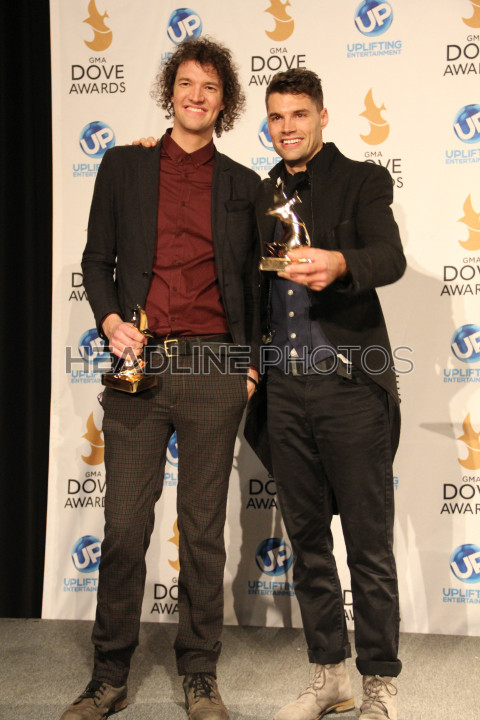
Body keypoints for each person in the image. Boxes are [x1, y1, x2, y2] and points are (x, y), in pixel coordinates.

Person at [60, 38, 261, 720]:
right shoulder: (124, 165)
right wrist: (110, 319)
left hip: (215, 367)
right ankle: (109, 674)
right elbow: (96, 260)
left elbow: (255, 286)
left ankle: (199, 673)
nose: (196, 95)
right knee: (123, 527)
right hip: (138, 368)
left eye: (210, 86)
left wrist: (250, 365)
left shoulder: (245, 185)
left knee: (201, 532)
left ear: (224, 102)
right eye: (186, 83)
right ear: (169, 91)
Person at [244, 68, 406, 720]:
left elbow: (389, 257)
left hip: (349, 385)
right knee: (308, 545)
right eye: (276, 117)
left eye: (299, 115)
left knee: (368, 546)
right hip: (283, 392)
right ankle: (330, 676)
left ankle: (380, 683)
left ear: (322, 117)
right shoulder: (258, 193)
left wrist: (340, 263)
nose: (287, 127)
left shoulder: (362, 180)